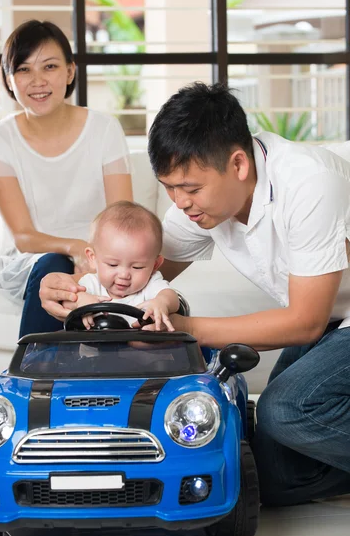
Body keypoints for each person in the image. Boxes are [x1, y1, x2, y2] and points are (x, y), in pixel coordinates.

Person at [39, 81, 350, 508]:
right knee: (272, 475)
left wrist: (181, 329)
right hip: (334, 321)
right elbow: (133, 266)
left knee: (286, 411)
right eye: (169, 187)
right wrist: (70, 287)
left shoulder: (309, 183)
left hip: (327, 321)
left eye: (190, 188)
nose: (180, 202)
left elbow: (305, 321)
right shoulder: (201, 205)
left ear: (238, 164)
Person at [0, 19, 133, 337]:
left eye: (49, 66)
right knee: (52, 265)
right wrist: (75, 247)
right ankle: (35, 374)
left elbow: (122, 217)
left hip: (97, 254)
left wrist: (94, 258)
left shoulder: (104, 129)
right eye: (23, 69)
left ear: (70, 71)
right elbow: (22, 236)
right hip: (29, 257)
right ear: (9, 79)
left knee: (77, 279)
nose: (38, 81)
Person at [62, 201, 180, 331]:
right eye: (112, 264)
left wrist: (162, 302)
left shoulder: (150, 284)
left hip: (142, 350)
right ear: (93, 258)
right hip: (92, 350)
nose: (124, 275)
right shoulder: (90, 283)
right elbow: (65, 302)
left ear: (155, 265)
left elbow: (172, 297)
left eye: (137, 267)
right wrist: (80, 300)